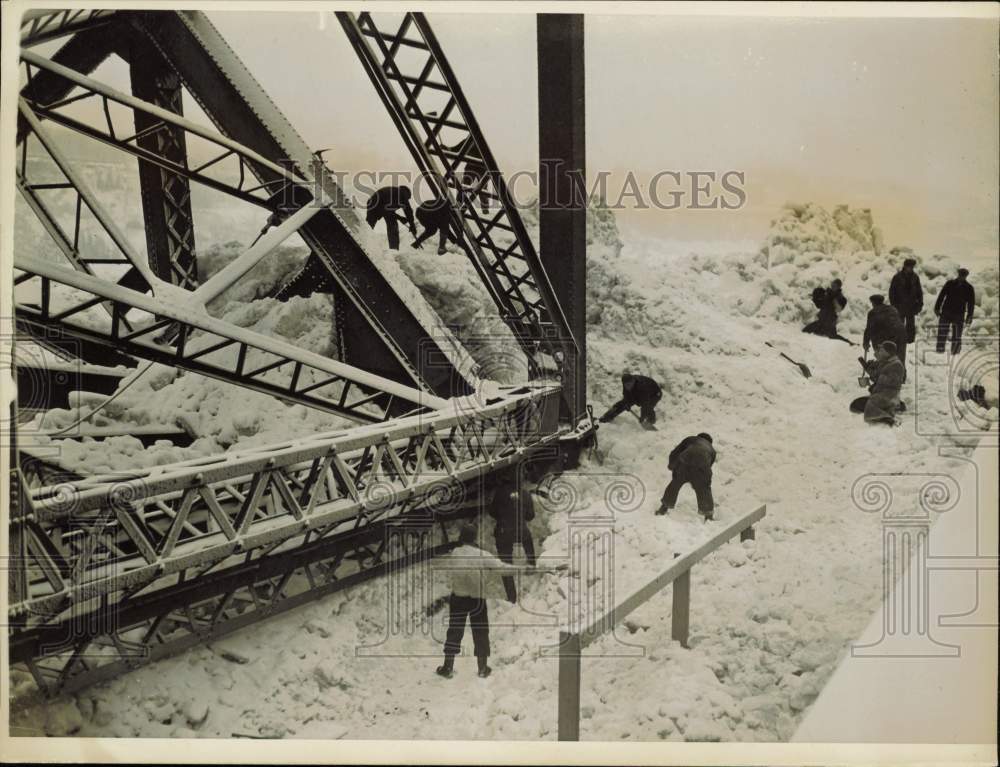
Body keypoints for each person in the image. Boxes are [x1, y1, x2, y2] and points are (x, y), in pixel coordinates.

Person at [434, 521, 564, 679]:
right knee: (480, 632)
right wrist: (525, 569)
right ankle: (482, 668)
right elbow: (504, 568)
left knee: (454, 631)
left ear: (462, 538)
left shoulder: (455, 553)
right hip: (477, 599)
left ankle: (447, 667)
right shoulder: (482, 556)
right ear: (474, 538)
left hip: (458, 598)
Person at [487, 470, 537, 604]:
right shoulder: (525, 494)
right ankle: (533, 566)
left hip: (504, 533)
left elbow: (492, 512)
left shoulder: (499, 493)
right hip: (521, 531)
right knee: (528, 539)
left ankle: (511, 597)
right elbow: (530, 516)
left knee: (505, 564)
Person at [656, 433, 717, 521]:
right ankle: (708, 516)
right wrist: (700, 482)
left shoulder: (692, 439)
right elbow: (708, 467)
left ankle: (663, 508)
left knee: (675, 484)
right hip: (702, 466)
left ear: (698, 437)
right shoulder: (712, 450)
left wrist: (672, 467)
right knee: (704, 489)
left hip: (686, 460)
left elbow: (675, 452)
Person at [863, 294, 908, 377]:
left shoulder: (873, 312)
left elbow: (869, 328)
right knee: (900, 354)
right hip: (901, 332)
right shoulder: (893, 308)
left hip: (888, 334)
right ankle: (902, 376)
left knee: (884, 354)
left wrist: (866, 342)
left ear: (873, 303)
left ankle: (885, 375)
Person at [598, 370, 663, 428]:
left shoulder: (642, 386)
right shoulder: (626, 384)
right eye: (626, 385)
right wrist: (627, 404)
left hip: (654, 393)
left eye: (629, 384)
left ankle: (650, 422)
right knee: (622, 404)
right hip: (636, 393)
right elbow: (626, 396)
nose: (628, 387)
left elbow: (645, 403)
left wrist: (642, 417)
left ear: (633, 381)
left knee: (648, 407)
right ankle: (606, 417)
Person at [934, 268, 975, 354]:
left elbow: (971, 303)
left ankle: (955, 352)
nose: (962, 277)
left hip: (959, 314)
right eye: (960, 275)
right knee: (942, 331)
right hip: (946, 311)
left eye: (963, 276)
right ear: (958, 274)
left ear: (966, 276)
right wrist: (937, 308)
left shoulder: (969, 288)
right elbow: (941, 296)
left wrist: (969, 316)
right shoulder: (950, 283)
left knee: (957, 334)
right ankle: (940, 350)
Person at [864, 341, 905, 426]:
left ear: (887, 352)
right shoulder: (886, 361)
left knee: (870, 406)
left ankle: (890, 420)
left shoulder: (896, 364)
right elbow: (878, 376)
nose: (879, 352)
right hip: (883, 391)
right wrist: (869, 369)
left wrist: (878, 378)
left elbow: (892, 382)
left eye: (882, 350)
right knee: (861, 404)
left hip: (890, 393)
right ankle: (888, 412)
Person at [365, 185, 416, 250]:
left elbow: (387, 210)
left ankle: (363, 239)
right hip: (379, 203)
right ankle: (394, 249)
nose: (407, 200)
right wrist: (412, 225)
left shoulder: (393, 193)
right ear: (406, 192)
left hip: (372, 203)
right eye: (408, 198)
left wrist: (400, 218)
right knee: (393, 225)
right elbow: (408, 210)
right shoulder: (401, 193)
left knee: (368, 225)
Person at [803, 279, 852, 344]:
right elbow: (820, 305)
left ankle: (848, 342)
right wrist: (816, 298)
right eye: (832, 285)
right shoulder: (827, 293)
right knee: (806, 331)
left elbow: (839, 309)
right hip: (821, 320)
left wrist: (833, 297)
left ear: (838, 287)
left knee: (833, 337)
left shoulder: (841, 298)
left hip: (830, 323)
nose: (832, 286)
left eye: (835, 286)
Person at [888, 257, 924, 344]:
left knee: (910, 325)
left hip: (911, 306)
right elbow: (892, 292)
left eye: (912, 267)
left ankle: (910, 341)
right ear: (905, 266)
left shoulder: (915, 277)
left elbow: (919, 292)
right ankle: (899, 341)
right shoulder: (897, 277)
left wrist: (919, 304)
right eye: (909, 267)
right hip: (899, 306)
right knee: (899, 325)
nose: (911, 268)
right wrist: (894, 305)